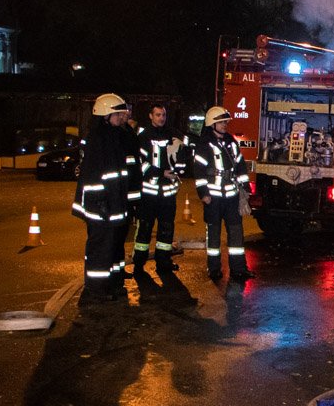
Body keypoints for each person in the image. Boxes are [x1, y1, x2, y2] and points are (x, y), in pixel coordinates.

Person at [71, 93, 138, 303]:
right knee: (100, 248)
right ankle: (95, 290)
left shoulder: (114, 136)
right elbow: (92, 176)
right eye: (117, 114)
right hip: (99, 206)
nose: (121, 117)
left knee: (113, 246)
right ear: (105, 115)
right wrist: (100, 200)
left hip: (114, 204)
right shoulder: (98, 140)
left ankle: (112, 282)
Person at [194, 106, 254, 281]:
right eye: (221, 122)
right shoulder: (204, 145)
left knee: (236, 233)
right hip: (213, 198)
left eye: (225, 122)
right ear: (211, 124)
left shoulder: (231, 142)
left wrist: (245, 187)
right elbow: (198, 171)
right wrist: (203, 193)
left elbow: (240, 165)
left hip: (232, 197)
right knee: (213, 234)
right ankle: (214, 269)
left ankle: (239, 269)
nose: (225, 125)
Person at [132, 103, 182, 276]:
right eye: (158, 115)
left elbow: (181, 157)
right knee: (144, 229)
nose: (161, 118)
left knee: (166, 230)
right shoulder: (143, 137)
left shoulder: (171, 135)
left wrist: (178, 170)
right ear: (150, 116)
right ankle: (139, 264)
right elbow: (140, 165)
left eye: (163, 115)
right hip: (149, 194)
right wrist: (161, 173)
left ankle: (163, 262)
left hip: (168, 195)